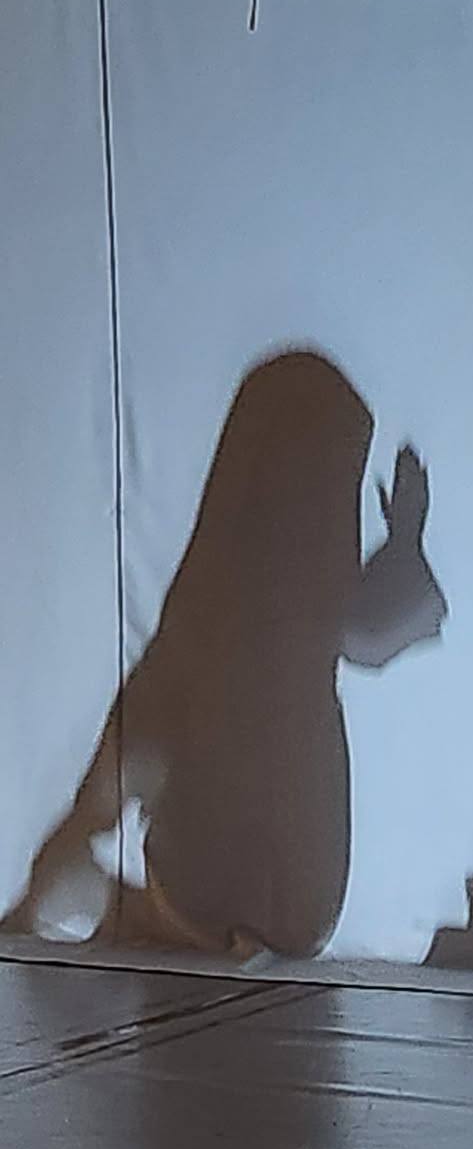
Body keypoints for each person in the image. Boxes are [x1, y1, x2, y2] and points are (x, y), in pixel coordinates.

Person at [4, 350, 446, 959]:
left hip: (252, 893)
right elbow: (373, 635)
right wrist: (404, 541)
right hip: (281, 895)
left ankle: (114, 920)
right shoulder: (265, 623)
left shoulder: (219, 628)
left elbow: (106, 794)